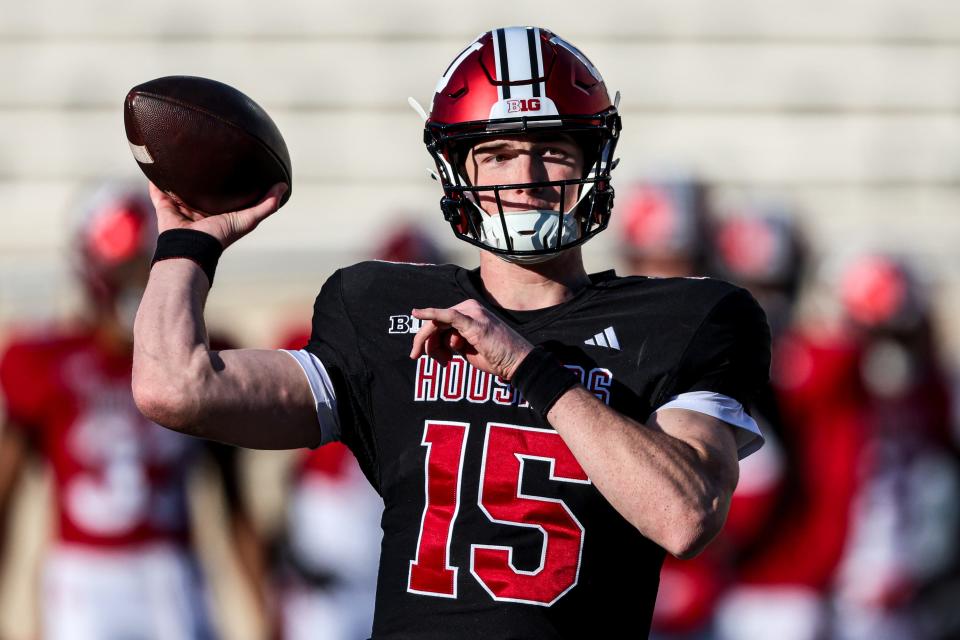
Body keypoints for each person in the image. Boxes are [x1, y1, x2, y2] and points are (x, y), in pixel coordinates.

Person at [132, 27, 771, 638]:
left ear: (593, 160)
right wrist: (187, 244)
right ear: (456, 170)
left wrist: (531, 368)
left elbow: (686, 516)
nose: (529, 176)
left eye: (553, 149)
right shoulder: (381, 308)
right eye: (497, 153)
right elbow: (174, 388)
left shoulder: (685, 321)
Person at [0, 181, 265, 640]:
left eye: (149, 267)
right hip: (83, 578)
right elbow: (6, 492)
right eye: (127, 269)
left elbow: (233, 499)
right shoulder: (44, 360)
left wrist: (263, 601)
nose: (139, 283)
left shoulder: (204, 355)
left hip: (172, 575)